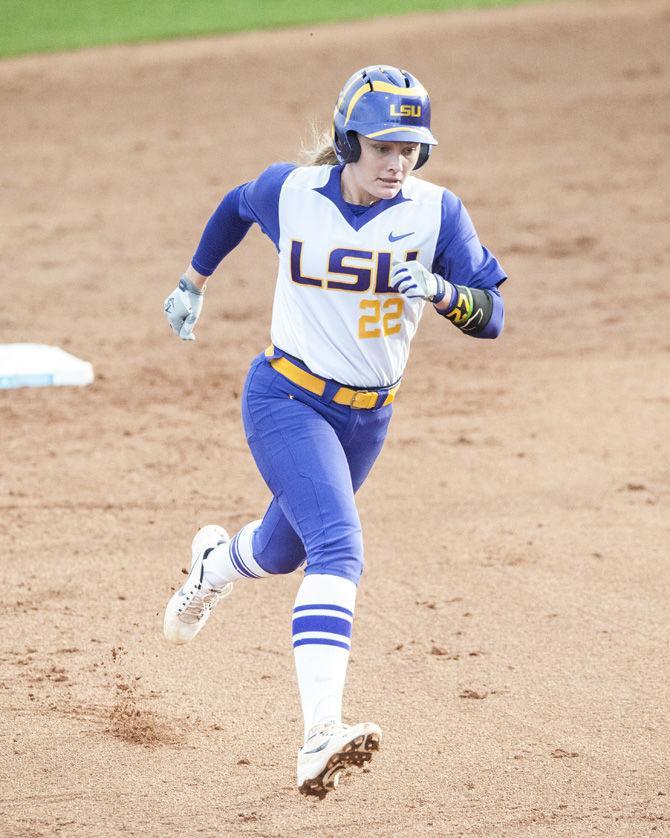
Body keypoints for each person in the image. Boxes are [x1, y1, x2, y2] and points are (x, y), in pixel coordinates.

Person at [162, 65, 507, 796]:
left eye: (411, 149)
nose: (397, 162)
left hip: (367, 420)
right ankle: (320, 732)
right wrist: (194, 281)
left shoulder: (437, 213)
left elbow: (493, 314)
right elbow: (233, 207)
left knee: (282, 550)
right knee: (338, 546)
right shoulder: (291, 193)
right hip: (285, 396)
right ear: (351, 141)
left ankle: (211, 569)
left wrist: (445, 293)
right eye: (383, 146)